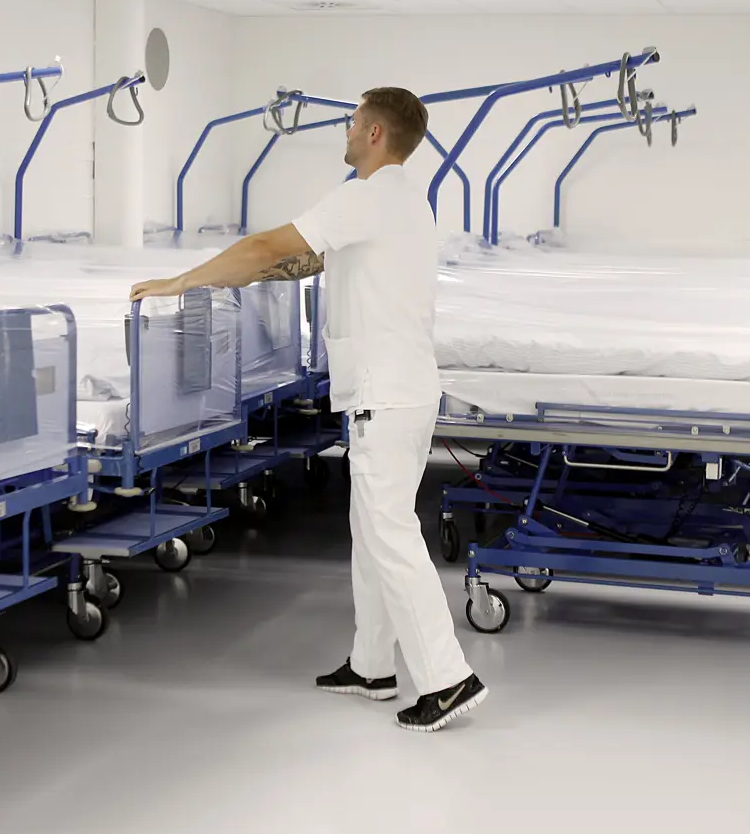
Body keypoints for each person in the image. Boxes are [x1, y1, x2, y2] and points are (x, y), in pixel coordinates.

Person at [129, 87, 485, 732]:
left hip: (385, 394)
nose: (345, 134)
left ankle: (447, 678)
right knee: (374, 535)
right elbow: (300, 261)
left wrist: (182, 281)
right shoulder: (406, 200)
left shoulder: (366, 195)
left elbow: (270, 245)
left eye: (352, 124)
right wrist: (235, 276)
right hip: (400, 392)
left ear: (375, 133)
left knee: (391, 538)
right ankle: (373, 664)